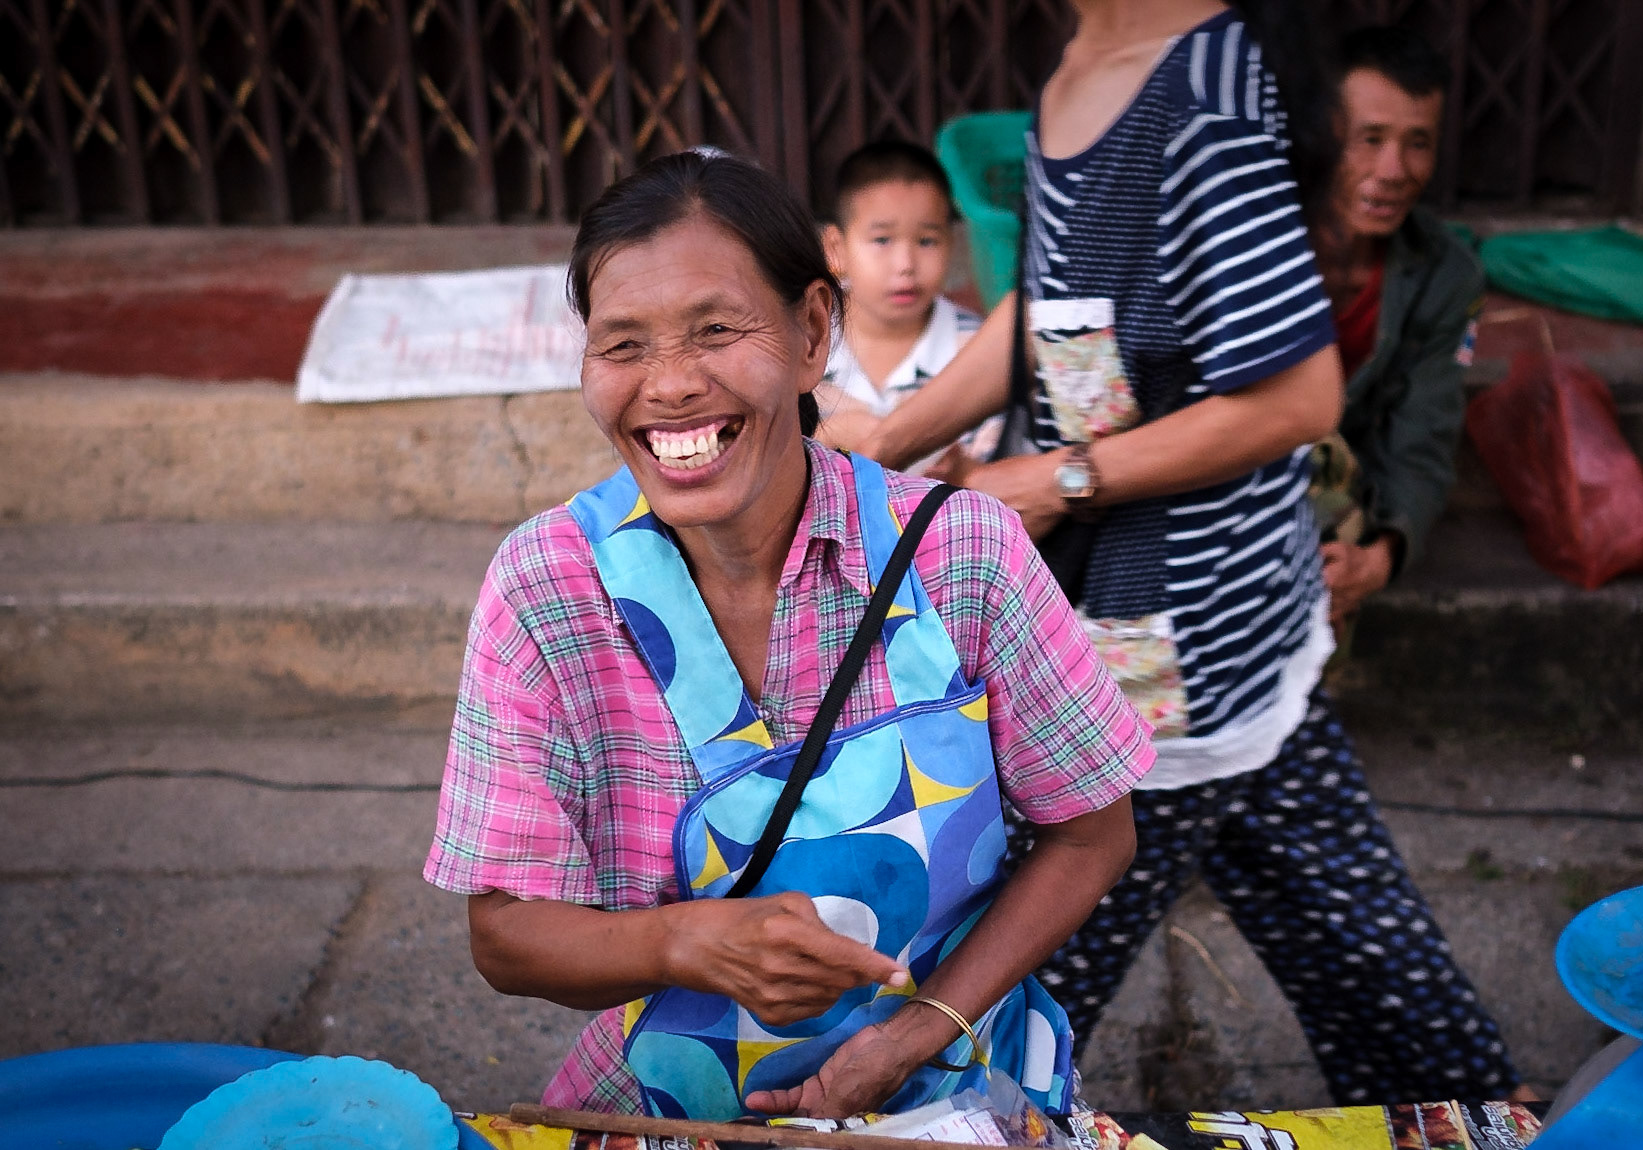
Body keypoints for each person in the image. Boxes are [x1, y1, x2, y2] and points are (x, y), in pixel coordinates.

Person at [852, 0, 1525, 1107]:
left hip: (1170, 661)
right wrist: (888, 439)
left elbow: (1296, 393)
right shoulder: (1083, 61)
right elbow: (1053, 306)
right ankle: (1476, 1117)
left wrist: (1061, 477)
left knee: (1002, 1003)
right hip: (1184, 634)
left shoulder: (1206, 83)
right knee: (1384, 984)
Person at [423, 149, 1157, 1120]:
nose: (672, 384)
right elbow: (505, 935)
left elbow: (1091, 833)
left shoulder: (960, 553)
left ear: (813, 333)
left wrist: (912, 1030)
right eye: (623, 344)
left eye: (716, 330)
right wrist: (683, 943)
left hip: (950, 1087)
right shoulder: (548, 588)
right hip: (670, 1104)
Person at [1314, 25, 1486, 622]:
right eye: (1370, 138)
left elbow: (1424, 438)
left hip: (1338, 502)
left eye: (1418, 143)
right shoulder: (1262, 237)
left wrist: (1380, 558)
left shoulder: (1447, 275)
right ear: (1325, 134)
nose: (1393, 169)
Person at [814, 140, 995, 464]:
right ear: (836, 248)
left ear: (951, 244)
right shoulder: (804, 338)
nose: (905, 264)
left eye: (927, 241)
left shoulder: (978, 350)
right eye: (882, 239)